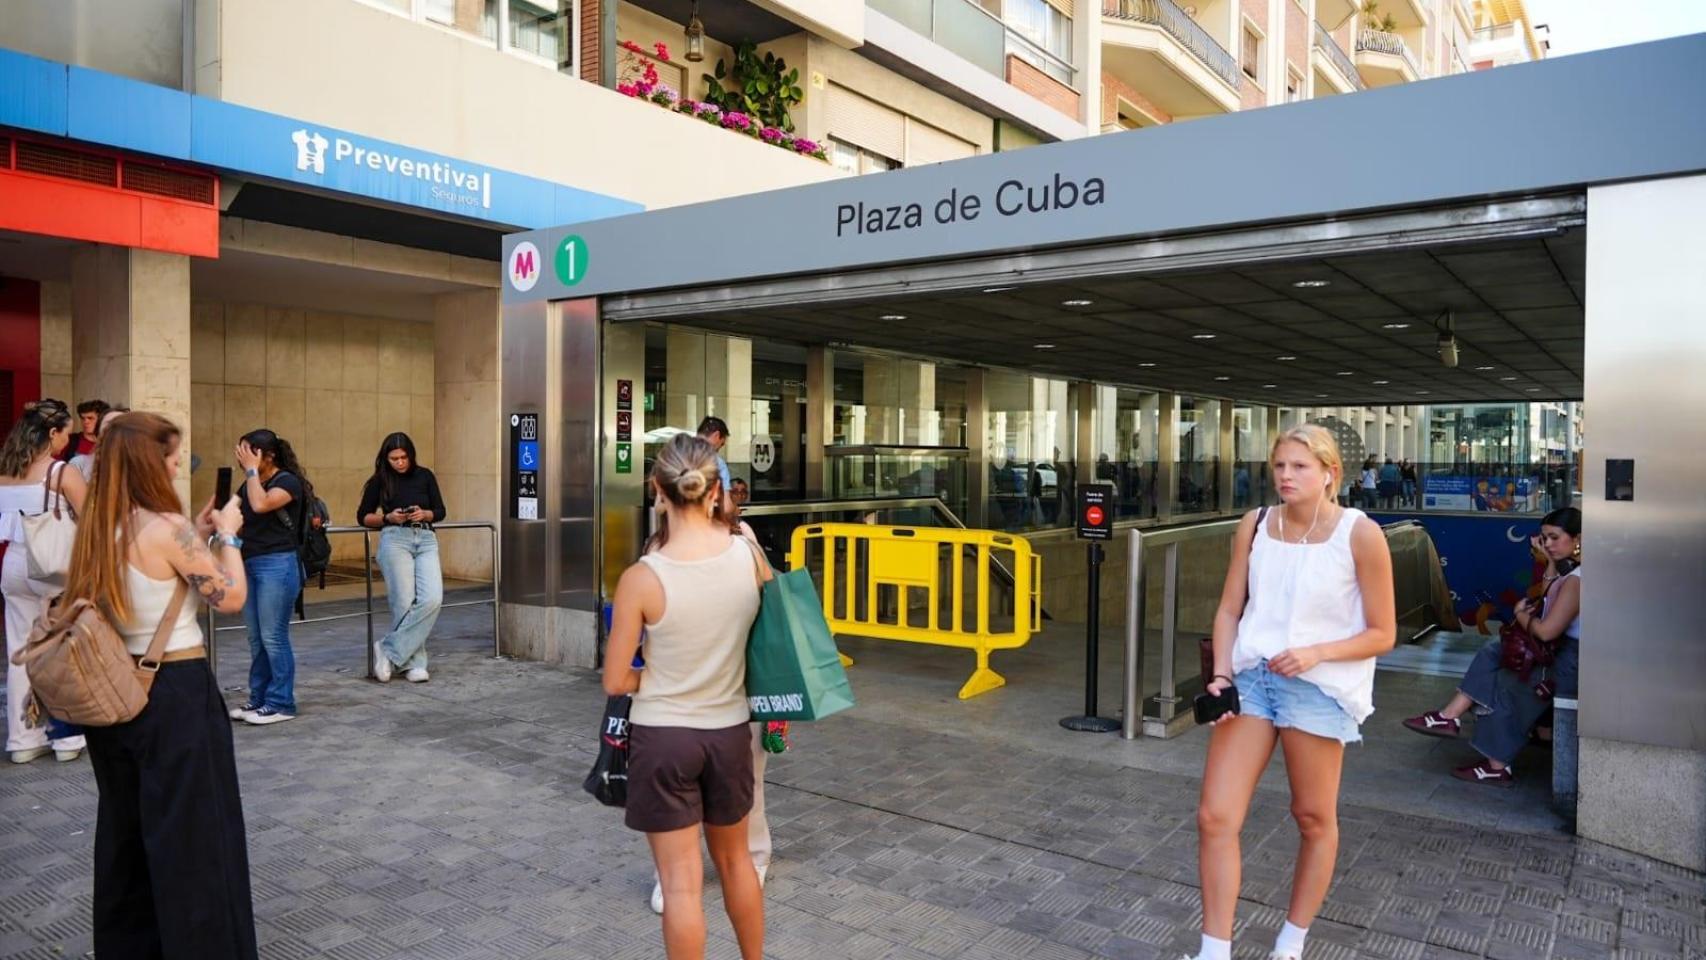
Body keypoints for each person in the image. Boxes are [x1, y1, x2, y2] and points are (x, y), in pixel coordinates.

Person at [1190, 424, 1396, 960]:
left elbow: (1383, 633)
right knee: (1215, 815)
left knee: (1312, 817)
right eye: (1279, 465)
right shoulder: (1255, 524)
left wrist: (1315, 652)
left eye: (1299, 467)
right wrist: (1221, 677)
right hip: (1253, 680)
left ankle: (1291, 944)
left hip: (1317, 688)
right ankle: (1215, 952)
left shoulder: (1360, 533)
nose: (1285, 476)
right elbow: (1231, 607)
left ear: (1331, 473)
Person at [64, 411, 257, 958]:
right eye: (173, 457)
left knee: (126, 835)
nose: (178, 466)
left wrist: (196, 535)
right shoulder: (166, 530)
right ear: (151, 462)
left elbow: (146, 581)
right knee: (195, 838)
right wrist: (228, 537)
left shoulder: (98, 528)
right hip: (175, 692)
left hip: (113, 692)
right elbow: (230, 598)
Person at [605, 434, 766, 960]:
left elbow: (615, 680)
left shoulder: (642, 578)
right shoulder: (747, 555)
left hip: (664, 737)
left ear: (658, 490)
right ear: (716, 490)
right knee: (738, 863)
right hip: (729, 733)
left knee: (679, 884)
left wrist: (654, 675)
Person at [1402, 507, 1582, 786]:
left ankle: (1484, 753)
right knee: (1495, 654)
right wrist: (1549, 561)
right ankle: (1456, 723)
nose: (1548, 544)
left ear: (1577, 539)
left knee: (1501, 682)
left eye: (1555, 538)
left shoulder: (1576, 581)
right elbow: (1548, 598)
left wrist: (1522, 617)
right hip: (1562, 656)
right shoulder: (1572, 574)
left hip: (1566, 662)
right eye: (1544, 539)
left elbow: (1546, 631)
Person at [1, 399, 89, 763]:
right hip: (54, 566)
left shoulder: (5, 469)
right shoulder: (61, 472)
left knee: (20, 650)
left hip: (14, 565)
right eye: (66, 433)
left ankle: (23, 739)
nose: (68, 441)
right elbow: (89, 519)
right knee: (63, 647)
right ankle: (66, 739)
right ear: (52, 433)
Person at [228, 429, 311, 726]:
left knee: (273, 637)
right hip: (250, 563)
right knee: (256, 638)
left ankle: (281, 702)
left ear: (268, 455)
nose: (243, 459)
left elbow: (262, 504)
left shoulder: (287, 481)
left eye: (249, 453)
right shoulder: (248, 483)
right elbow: (232, 516)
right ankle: (259, 698)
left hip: (278, 564)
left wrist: (251, 471)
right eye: (240, 453)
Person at [357, 432, 447, 684]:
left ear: (411, 455)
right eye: (394, 458)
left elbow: (440, 511)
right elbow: (363, 516)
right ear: (386, 458)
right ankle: (414, 664)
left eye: (403, 457)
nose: (399, 462)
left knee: (432, 599)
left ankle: (387, 648)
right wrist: (388, 517)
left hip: (426, 539)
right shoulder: (379, 481)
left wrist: (425, 513)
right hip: (395, 538)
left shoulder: (425, 475)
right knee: (404, 603)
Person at [69, 405, 131, 480]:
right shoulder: (79, 463)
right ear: (98, 432)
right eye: (109, 425)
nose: (86, 422)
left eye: (120, 426)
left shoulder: (138, 466)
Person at [56, 399, 109, 464]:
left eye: (90, 418)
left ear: (101, 419)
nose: (85, 422)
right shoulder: (70, 441)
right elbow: (55, 466)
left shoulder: (109, 442)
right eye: (82, 418)